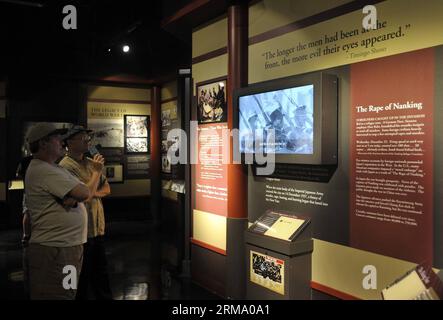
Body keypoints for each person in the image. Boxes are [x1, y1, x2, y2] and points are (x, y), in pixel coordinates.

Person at [24, 123, 90, 300]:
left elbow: (79, 191)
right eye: (57, 138)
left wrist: (73, 195)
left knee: (67, 292)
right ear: (43, 143)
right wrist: (76, 193)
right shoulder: (44, 170)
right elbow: (84, 192)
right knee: (56, 294)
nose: (62, 142)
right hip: (55, 250)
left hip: (65, 248)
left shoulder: (55, 168)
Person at [59, 125, 113, 300]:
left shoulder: (91, 163)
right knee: (80, 276)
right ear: (69, 142)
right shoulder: (65, 166)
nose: (87, 141)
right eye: (82, 138)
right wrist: (95, 175)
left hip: (97, 228)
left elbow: (106, 189)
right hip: (79, 231)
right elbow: (82, 195)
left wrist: (91, 192)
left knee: (101, 274)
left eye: (87, 138)